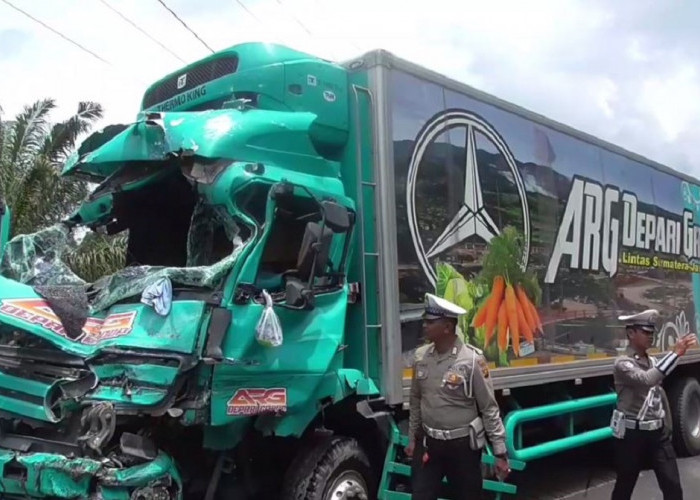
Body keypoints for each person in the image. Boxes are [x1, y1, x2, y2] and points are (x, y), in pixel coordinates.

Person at [406, 293, 509, 500]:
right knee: (420, 495)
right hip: (430, 444)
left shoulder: (471, 360)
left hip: (462, 447)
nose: (424, 326)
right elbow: (416, 399)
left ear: (447, 327)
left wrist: (500, 452)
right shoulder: (421, 357)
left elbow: (489, 407)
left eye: (430, 322)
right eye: (424, 321)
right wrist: (412, 439)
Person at [610, 309, 697, 500]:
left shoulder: (653, 361)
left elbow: (659, 394)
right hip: (632, 435)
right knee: (625, 485)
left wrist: (667, 426)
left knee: (672, 486)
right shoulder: (623, 364)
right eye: (646, 332)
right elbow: (648, 379)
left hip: (657, 435)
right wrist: (675, 354)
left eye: (652, 332)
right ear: (631, 333)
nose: (651, 336)